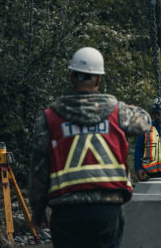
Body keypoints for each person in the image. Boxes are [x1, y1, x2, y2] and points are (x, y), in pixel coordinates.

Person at [28, 47, 151, 248]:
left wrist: (38, 210)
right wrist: (118, 104)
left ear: (71, 78)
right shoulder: (117, 112)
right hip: (107, 209)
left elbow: (38, 170)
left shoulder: (50, 117)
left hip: (66, 212)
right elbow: (144, 122)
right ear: (98, 80)